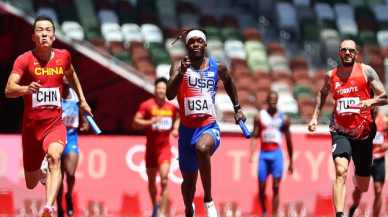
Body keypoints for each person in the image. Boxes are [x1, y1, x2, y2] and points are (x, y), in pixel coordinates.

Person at [4, 15, 92, 217]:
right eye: (40, 31)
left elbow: (71, 74)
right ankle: (42, 174)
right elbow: (9, 90)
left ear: (54, 36)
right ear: (33, 37)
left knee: (54, 157)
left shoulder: (64, 57)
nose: (44, 34)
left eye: (48, 30)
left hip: (55, 124)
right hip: (31, 129)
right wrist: (26, 88)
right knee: (31, 182)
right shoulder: (24, 60)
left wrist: (82, 100)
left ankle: (48, 207)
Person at [166, 28, 247, 217]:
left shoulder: (217, 67)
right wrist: (181, 74)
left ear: (205, 45)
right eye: (192, 41)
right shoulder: (178, 67)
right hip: (186, 132)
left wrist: (237, 109)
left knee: (202, 149)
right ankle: (188, 209)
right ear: (187, 46)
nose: (196, 44)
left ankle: (209, 200)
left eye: (199, 41)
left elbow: (229, 82)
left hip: (208, 126)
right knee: (188, 185)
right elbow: (170, 94)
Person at [308, 40, 388, 217]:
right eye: (344, 50)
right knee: (340, 171)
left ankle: (359, 169)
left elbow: (385, 96)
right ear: (339, 53)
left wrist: (371, 101)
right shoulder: (331, 75)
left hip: (364, 133)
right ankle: (339, 214)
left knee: (364, 186)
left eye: (351, 50)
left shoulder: (366, 71)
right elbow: (322, 93)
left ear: (356, 53)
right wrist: (315, 116)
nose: (347, 52)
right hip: (340, 130)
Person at [132, 77, 180, 217]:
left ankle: (162, 214)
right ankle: (154, 205)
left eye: (164, 88)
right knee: (152, 181)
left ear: (167, 90)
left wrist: (175, 129)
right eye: (159, 88)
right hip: (150, 149)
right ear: (155, 89)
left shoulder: (171, 107)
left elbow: (178, 117)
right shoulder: (147, 105)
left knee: (164, 179)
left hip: (164, 149)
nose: (161, 90)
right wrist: (151, 121)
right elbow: (135, 122)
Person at [249, 91, 293, 217]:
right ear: (267, 101)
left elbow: (289, 141)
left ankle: (274, 214)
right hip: (264, 154)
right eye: (271, 100)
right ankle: (264, 208)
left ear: (277, 101)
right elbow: (255, 136)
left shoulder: (283, 119)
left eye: (275, 100)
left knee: (275, 186)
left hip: (277, 155)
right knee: (261, 188)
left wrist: (291, 161)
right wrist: (252, 152)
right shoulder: (260, 117)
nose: (273, 102)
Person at [56, 77, 90, 217]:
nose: (65, 78)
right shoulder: (54, 96)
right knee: (58, 177)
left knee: (70, 173)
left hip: (71, 138)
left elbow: (84, 114)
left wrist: (85, 122)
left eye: (67, 75)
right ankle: (59, 208)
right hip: (56, 139)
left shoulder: (77, 96)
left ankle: (69, 196)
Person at [348, 108, 388, 217]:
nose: (373, 112)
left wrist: (386, 144)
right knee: (359, 190)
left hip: (379, 159)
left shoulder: (384, 120)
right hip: (365, 159)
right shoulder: (362, 120)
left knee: (378, 190)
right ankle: (354, 206)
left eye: (375, 110)